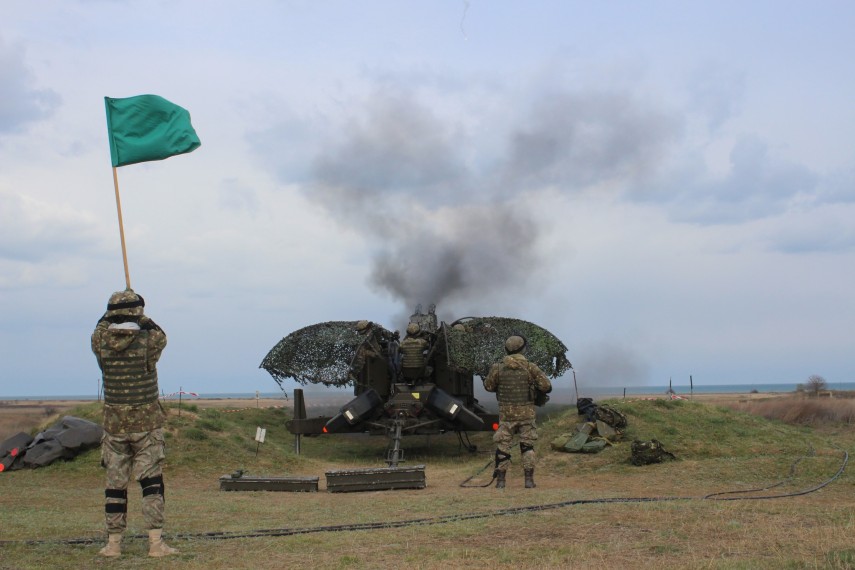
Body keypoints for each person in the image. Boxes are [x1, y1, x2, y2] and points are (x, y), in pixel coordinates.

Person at [91, 289, 177, 558]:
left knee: (115, 486)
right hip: (147, 425)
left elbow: (99, 326)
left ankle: (113, 544)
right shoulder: (149, 341)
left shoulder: (100, 342)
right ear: (138, 313)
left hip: (114, 426)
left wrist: (111, 313)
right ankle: (155, 544)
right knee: (151, 484)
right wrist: (141, 315)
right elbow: (159, 332)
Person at [483, 335, 552, 489]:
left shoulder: (498, 367)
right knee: (527, 447)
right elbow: (546, 386)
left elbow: (488, 386)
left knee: (503, 446)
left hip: (506, 414)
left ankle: (501, 482)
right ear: (523, 348)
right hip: (526, 413)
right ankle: (529, 481)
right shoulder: (530, 367)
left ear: (506, 349)